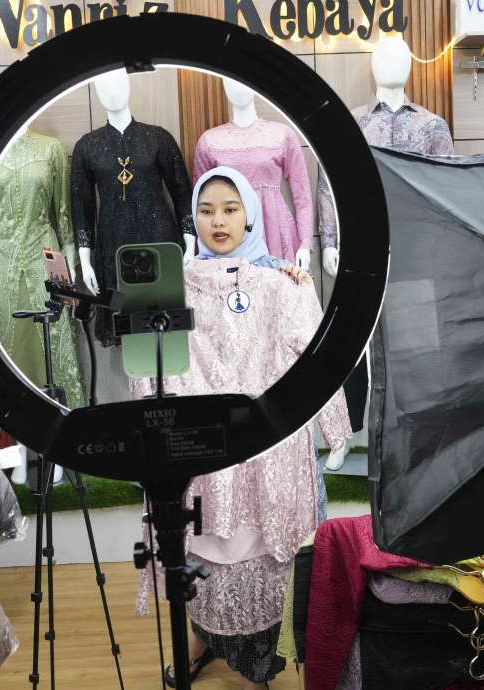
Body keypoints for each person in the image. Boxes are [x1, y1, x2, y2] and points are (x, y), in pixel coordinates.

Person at [137, 166, 352, 689]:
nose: (218, 221)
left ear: (250, 215)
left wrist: (335, 429)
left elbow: (316, 362)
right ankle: (203, 638)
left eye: (231, 209)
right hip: (198, 446)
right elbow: (146, 368)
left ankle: (258, 661)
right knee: (198, 540)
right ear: (193, 218)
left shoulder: (282, 285)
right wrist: (153, 431)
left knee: (262, 553)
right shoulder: (170, 289)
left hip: (264, 450)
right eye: (207, 210)